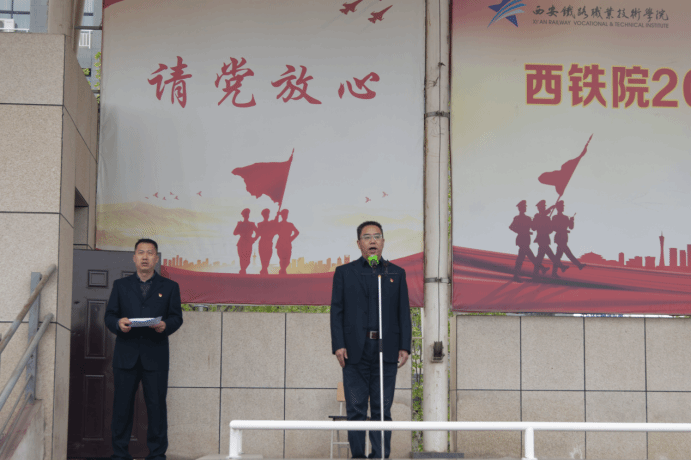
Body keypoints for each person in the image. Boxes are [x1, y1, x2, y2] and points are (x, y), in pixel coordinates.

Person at [330, 221, 412, 459]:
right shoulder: (344, 273)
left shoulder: (395, 273)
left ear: (383, 242)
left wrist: (404, 346)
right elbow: (337, 311)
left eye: (377, 236)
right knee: (356, 408)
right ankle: (357, 456)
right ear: (359, 244)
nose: (372, 241)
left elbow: (403, 312)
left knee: (382, 409)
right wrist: (338, 344)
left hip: (386, 349)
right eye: (367, 237)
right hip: (354, 350)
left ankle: (380, 456)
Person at [104, 238, 183, 460]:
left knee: (157, 408)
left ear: (156, 258)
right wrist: (118, 323)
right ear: (134, 258)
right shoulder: (121, 285)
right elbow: (109, 315)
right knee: (122, 408)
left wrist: (165, 325)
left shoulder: (170, 287)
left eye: (150, 253)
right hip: (125, 356)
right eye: (141, 252)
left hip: (155, 356)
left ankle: (157, 455)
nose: (145, 257)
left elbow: (176, 317)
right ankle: (120, 455)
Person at [509, 200, 547, 282]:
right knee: (527, 257)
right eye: (524, 207)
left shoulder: (528, 218)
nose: (525, 208)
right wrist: (521, 231)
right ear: (520, 209)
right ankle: (541, 268)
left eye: (525, 207)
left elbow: (533, 227)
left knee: (523, 257)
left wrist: (539, 219)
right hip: (521, 239)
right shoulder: (517, 218)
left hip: (526, 239)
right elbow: (511, 227)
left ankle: (516, 275)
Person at [531, 200, 567, 278]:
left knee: (540, 257)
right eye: (543, 207)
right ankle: (560, 267)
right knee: (550, 255)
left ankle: (536, 273)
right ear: (539, 208)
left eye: (544, 207)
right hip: (541, 239)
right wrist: (550, 208)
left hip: (545, 239)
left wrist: (547, 228)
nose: (544, 208)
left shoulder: (546, 218)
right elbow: (533, 227)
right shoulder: (537, 216)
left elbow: (551, 229)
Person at [552, 200, 586, 276]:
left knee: (558, 256)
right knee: (567, 253)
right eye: (561, 207)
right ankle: (578, 265)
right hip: (559, 237)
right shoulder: (555, 217)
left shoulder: (565, 217)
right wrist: (561, 229)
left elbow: (571, 227)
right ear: (558, 208)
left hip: (564, 237)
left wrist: (571, 221)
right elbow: (553, 228)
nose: (563, 208)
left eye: (563, 206)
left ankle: (555, 272)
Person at [234, 208, 258, 274]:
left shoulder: (251, 224)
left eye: (247, 214)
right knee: (242, 257)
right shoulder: (240, 224)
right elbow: (235, 233)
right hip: (242, 242)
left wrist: (254, 239)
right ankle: (242, 270)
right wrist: (239, 227)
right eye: (246, 214)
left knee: (247, 259)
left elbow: (258, 232)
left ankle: (243, 270)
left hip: (248, 242)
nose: (247, 216)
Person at [275, 209, 299, 275]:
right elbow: (274, 228)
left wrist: (291, 239)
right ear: (282, 216)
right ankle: (282, 271)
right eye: (285, 214)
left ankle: (283, 270)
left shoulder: (290, 224)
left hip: (287, 243)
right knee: (282, 259)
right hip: (281, 243)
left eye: (286, 214)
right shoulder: (279, 224)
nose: (286, 216)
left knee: (287, 259)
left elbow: (297, 232)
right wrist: (277, 217)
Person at [256, 208, 278, 275]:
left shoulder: (269, 223)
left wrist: (277, 217)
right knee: (263, 257)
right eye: (266, 214)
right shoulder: (260, 224)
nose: (267, 215)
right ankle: (264, 270)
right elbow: (258, 234)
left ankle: (264, 269)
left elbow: (275, 227)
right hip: (264, 242)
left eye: (268, 214)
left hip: (268, 242)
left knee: (267, 257)